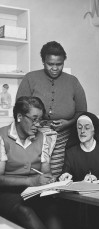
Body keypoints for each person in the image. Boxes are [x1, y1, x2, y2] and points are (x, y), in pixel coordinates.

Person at [16, 41, 87, 177]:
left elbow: (81, 111)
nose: (54, 68)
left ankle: (54, 198)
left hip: (64, 137)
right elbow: (20, 109)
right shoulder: (30, 78)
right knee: (35, 171)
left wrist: (69, 123)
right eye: (50, 64)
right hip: (34, 135)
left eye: (59, 64)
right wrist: (35, 124)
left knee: (58, 173)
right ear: (43, 61)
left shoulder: (72, 81)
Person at [0, 96, 62, 229]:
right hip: (6, 194)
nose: (38, 124)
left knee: (53, 211)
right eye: (34, 119)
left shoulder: (43, 137)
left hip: (32, 192)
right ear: (20, 117)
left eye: (40, 120)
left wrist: (49, 179)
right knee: (24, 212)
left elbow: (45, 170)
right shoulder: (2, 136)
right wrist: (30, 181)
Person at [59, 112, 99, 182]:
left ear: (94, 130)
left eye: (87, 128)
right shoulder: (71, 152)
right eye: (79, 128)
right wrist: (65, 177)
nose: (82, 131)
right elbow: (66, 173)